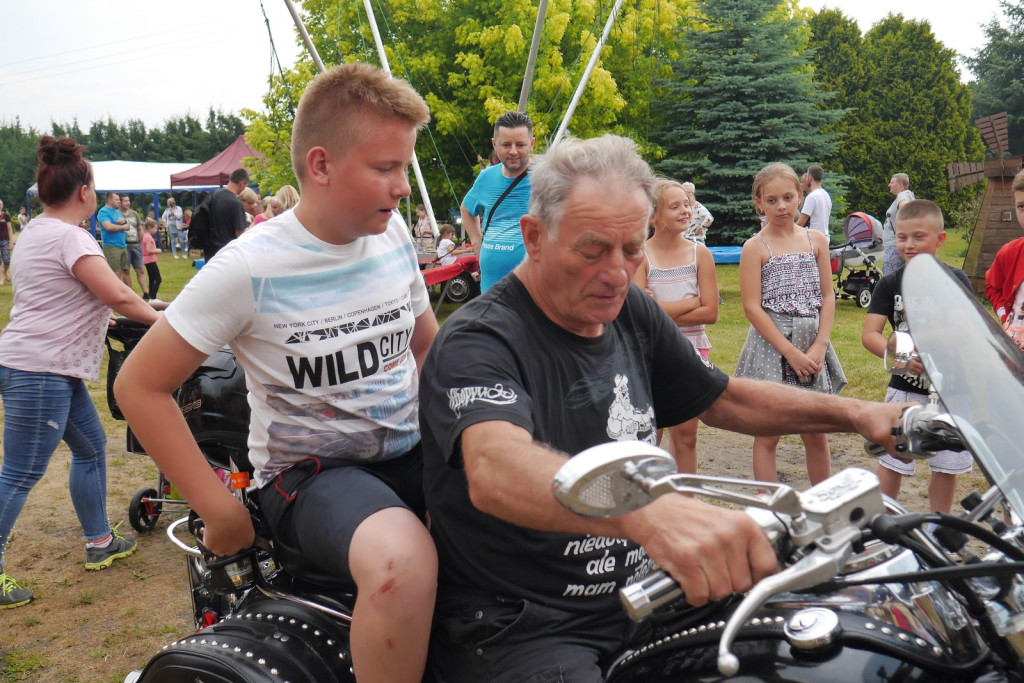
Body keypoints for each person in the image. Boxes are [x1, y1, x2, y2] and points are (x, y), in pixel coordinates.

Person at [419, 134, 904, 683]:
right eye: (592, 249)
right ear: (534, 236)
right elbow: (494, 465)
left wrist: (858, 415)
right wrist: (650, 516)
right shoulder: (478, 340)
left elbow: (721, 397)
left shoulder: (631, 310)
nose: (617, 272)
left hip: (643, 589)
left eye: (631, 249)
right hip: (522, 621)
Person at [114, 63, 439, 682]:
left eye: (405, 166)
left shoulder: (394, 232)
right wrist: (219, 509)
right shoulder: (250, 267)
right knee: (404, 565)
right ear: (320, 165)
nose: (403, 188)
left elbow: (430, 351)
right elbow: (139, 384)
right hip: (313, 478)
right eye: (385, 168)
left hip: (417, 453)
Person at [0, 136, 160, 609]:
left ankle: (99, 542)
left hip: (46, 368)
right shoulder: (72, 236)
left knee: (90, 448)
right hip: (40, 370)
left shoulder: (35, 232)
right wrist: (174, 323)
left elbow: (65, 296)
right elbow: (122, 296)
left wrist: (144, 311)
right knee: (21, 472)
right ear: (85, 193)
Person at [735, 162, 846, 486]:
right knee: (768, 434)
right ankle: (767, 505)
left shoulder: (816, 241)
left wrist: (819, 345)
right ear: (759, 202)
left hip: (813, 343)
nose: (781, 206)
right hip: (772, 346)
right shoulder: (755, 247)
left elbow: (827, 295)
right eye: (771, 200)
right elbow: (752, 308)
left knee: (815, 433)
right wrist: (790, 353)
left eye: (787, 197)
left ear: (800, 195)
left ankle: (823, 501)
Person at [862, 199, 973, 513]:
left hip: (951, 391)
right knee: (893, 459)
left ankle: (940, 527)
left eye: (918, 237)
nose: (908, 245)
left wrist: (917, 340)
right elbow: (870, 336)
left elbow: (964, 331)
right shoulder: (888, 285)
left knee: (946, 464)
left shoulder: (955, 280)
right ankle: (883, 528)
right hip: (904, 389)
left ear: (940, 239)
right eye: (902, 237)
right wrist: (902, 359)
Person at [632, 179, 718, 473]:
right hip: (650, 355)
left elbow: (711, 312)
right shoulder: (639, 256)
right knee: (647, 435)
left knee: (686, 436)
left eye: (687, 204)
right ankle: (647, 501)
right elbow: (639, 315)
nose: (686, 211)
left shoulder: (700, 255)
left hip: (691, 351)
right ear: (653, 216)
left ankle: (686, 503)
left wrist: (659, 310)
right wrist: (692, 302)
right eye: (675, 206)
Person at [460, 111, 535, 291]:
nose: (514, 151)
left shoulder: (546, 178)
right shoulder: (486, 177)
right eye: (506, 144)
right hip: (490, 293)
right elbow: (466, 208)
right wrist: (477, 241)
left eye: (520, 144)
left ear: (532, 144)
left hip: (533, 292)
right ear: (495, 144)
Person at [986, 168, 1024, 349]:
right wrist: (1004, 315)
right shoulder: (1009, 253)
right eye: (1021, 206)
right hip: (1016, 351)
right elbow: (991, 286)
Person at [200, 169, 249, 261]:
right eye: (245, 185)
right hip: (227, 252)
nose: (244, 188)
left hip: (210, 250)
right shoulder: (236, 204)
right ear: (242, 183)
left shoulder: (212, 196)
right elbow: (240, 234)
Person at [882, 173, 915, 275]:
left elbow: (905, 209)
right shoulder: (909, 195)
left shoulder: (902, 195)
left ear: (900, 185)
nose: (889, 185)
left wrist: (902, 232)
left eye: (891, 182)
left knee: (889, 279)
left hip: (894, 246)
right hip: (897, 244)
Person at [98, 191, 131, 285]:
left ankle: (129, 292)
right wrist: (123, 227)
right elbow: (108, 227)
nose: (119, 202)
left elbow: (128, 226)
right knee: (115, 272)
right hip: (111, 246)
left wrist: (124, 222)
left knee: (125, 270)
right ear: (109, 200)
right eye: (116, 200)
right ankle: (117, 294)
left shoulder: (117, 212)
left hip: (122, 245)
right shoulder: (103, 211)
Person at [121, 195, 149, 299]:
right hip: (124, 246)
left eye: (128, 201)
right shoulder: (117, 214)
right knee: (126, 270)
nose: (128, 203)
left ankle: (146, 293)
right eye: (125, 201)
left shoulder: (134, 214)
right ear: (120, 202)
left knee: (140, 270)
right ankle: (131, 292)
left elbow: (140, 227)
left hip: (136, 245)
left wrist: (140, 238)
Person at [796, 164, 832, 238]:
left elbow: (800, 223)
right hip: (825, 237)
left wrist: (786, 230)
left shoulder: (812, 197)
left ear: (810, 178)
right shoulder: (826, 195)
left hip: (814, 238)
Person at [142, 218, 162, 301]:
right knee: (158, 279)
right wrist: (158, 250)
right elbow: (148, 250)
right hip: (150, 261)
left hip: (148, 261)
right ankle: (153, 297)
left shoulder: (146, 236)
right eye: (155, 228)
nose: (156, 230)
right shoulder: (148, 237)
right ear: (150, 228)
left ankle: (150, 295)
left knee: (152, 279)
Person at [0, 201, 10, 286]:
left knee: (7, 260)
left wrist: (10, 242)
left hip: (5, 240)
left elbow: (10, 229)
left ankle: (5, 271)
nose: (0, 205)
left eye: (1, 204)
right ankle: (1, 279)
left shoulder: (6, 216)